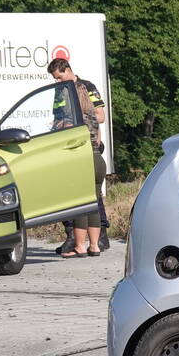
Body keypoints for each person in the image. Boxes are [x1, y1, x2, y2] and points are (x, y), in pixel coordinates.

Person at [47, 57, 107, 258]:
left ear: (68, 69)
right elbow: (58, 119)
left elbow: (101, 116)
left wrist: (72, 121)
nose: (57, 81)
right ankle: (92, 244)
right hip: (93, 153)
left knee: (83, 201)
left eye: (59, 76)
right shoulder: (60, 91)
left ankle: (82, 244)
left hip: (81, 152)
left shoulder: (87, 86)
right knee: (92, 198)